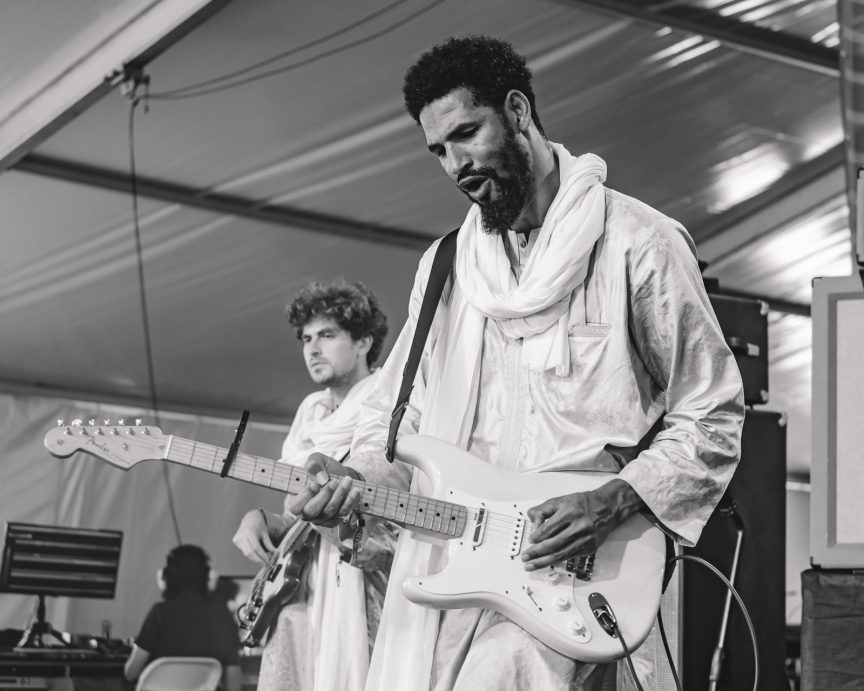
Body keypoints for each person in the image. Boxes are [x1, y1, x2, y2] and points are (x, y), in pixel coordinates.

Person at [288, 35, 745, 690]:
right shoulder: (447, 267)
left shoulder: (638, 243)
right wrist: (349, 477)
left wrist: (612, 500)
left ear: (518, 112)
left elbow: (712, 411)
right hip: (460, 568)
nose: (455, 164)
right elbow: (402, 416)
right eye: (439, 151)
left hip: (588, 571)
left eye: (466, 134)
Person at [231, 280, 392, 691]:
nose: (312, 348)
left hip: (366, 576)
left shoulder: (386, 396)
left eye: (327, 335)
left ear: (363, 342)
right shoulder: (311, 409)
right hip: (302, 582)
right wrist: (262, 518)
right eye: (306, 338)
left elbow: (392, 512)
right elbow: (296, 511)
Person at [124, 544, 242, 691]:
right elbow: (234, 684)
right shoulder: (224, 617)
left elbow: (131, 673)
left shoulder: (160, 612)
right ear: (206, 577)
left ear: (167, 576)